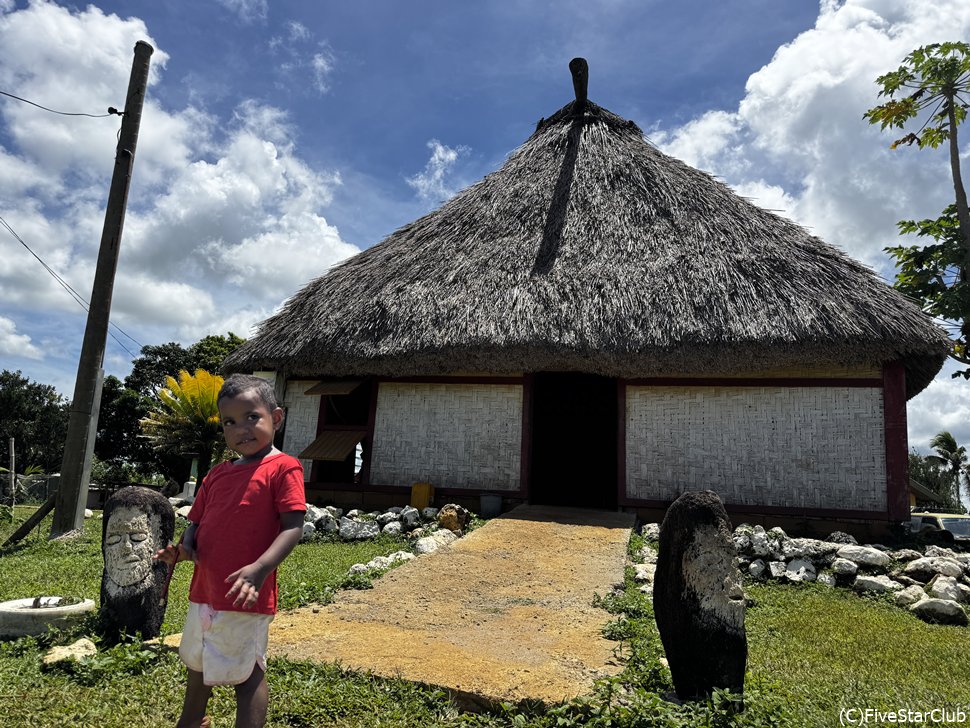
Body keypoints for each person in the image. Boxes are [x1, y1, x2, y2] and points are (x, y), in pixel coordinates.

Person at [156, 373, 305, 728]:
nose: (242, 428)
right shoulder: (216, 475)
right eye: (230, 422)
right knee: (198, 661)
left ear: (276, 418)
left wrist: (258, 569)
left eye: (252, 416)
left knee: (247, 672)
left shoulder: (283, 468)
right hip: (204, 591)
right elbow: (196, 525)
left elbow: (292, 527)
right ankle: (191, 721)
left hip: (244, 594)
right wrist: (184, 550)